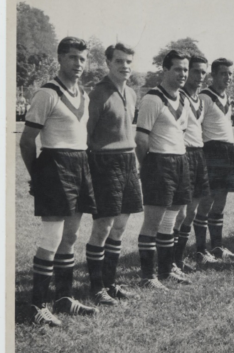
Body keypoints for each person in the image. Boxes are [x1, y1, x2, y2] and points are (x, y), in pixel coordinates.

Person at [21, 37, 99, 326]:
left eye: (82, 58)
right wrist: (37, 176)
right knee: (52, 238)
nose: (78, 63)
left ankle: (64, 298)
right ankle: (38, 305)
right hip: (55, 164)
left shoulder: (85, 94)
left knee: (70, 237)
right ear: (60, 59)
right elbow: (28, 141)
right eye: (72, 58)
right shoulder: (47, 93)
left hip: (80, 163)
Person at [85, 43, 143, 306]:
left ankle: (111, 283)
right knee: (103, 227)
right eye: (119, 61)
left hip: (128, 162)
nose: (125, 66)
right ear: (108, 63)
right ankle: (96, 288)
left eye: (129, 61)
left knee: (120, 227)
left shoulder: (131, 93)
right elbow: (86, 135)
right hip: (104, 163)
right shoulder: (98, 93)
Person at [135, 50, 192, 289]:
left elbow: (182, 133)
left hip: (180, 160)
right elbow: (140, 139)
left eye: (185, 70)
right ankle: (148, 276)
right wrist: (148, 165)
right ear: (165, 70)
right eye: (177, 69)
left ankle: (167, 270)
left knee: (172, 218)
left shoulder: (184, 99)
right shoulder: (152, 99)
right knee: (153, 221)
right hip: (158, 162)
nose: (182, 74)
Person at [195, 58, 234, 262]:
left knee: (220, 203)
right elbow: (196, 126)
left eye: (230, 74)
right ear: (213, 75)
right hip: (211, 151)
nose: (228, 77)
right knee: (206, 201)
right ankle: (199, 249)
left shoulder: (228, 97)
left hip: (228, 151)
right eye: (223, 73)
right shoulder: (204, 97)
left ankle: (217, 247)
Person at [172, 55, 211, 271]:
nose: (199, 76)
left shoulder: (200, 99)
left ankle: (178, 258)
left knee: (193, 212)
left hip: (199, 153)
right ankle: (171, 259)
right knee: (180, 213)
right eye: (195, 71)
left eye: (202, 72)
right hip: (184, 154)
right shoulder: (180, 97)